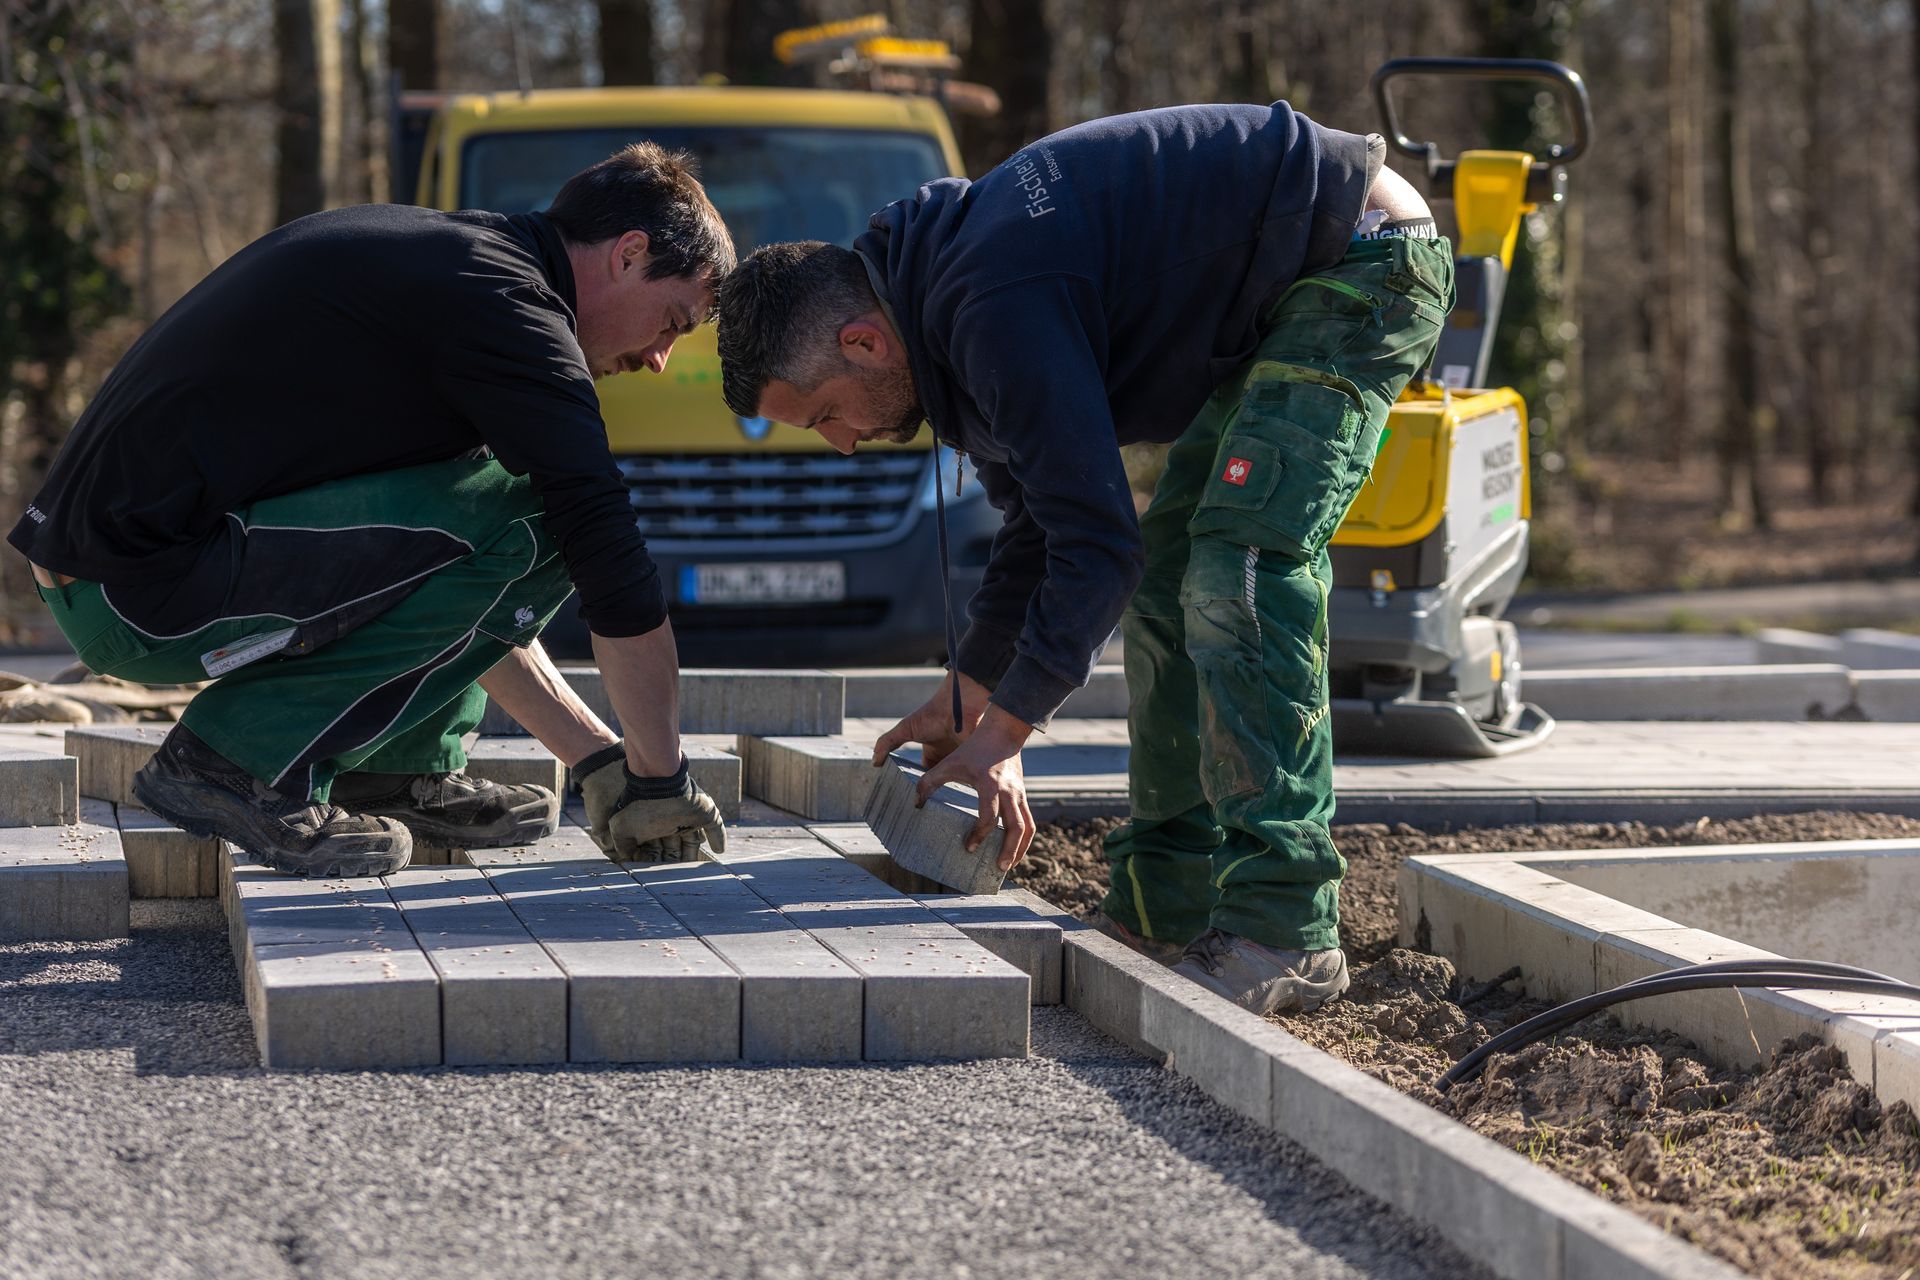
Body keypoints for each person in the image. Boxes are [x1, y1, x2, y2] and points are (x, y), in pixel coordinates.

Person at [715, 103, 1452, 1014]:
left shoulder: (988, 298)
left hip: (1362, 257)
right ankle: (1166, 905)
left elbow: (1099, 547)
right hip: (1279, 295)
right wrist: (972, 693)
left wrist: (1007, 736)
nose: (841, 444)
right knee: (1174, 584)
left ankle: (1286, 924)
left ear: (862, 341)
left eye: (826, 414)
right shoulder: (948, 311)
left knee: (1241, 566)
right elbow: (1040, 525)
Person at [12, 142, 734, 878]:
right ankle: (231, 761)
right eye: (673, 321)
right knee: (551, 519)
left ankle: (388, 767)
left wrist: (597, 759)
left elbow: (454, 587)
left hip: (118, 573)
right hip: (139, 594)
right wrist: (658, 779)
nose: (658, 358)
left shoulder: (459, 268)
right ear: (628, 253)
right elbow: (600, 547)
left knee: (495, 504)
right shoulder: (508, 309)